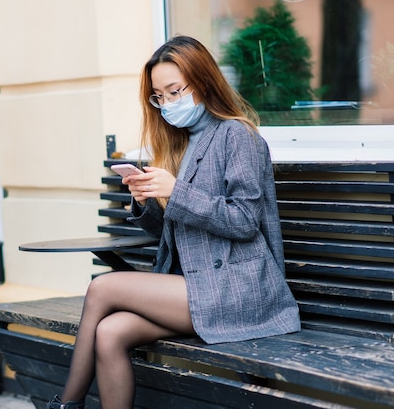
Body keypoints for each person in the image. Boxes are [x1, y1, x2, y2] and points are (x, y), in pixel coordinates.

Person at [46, 35, 300, 409]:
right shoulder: (181, 143)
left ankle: (65, 406)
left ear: (203, 81)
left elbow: (245, 221)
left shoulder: (238, 136)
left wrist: (177, 191)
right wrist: (146, 202)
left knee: (102, 288)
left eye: (174, 91)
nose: (166, 103)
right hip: (196, 287)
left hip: (239, 291)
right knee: (110, 331)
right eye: (158, 96)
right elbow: (177, 233)